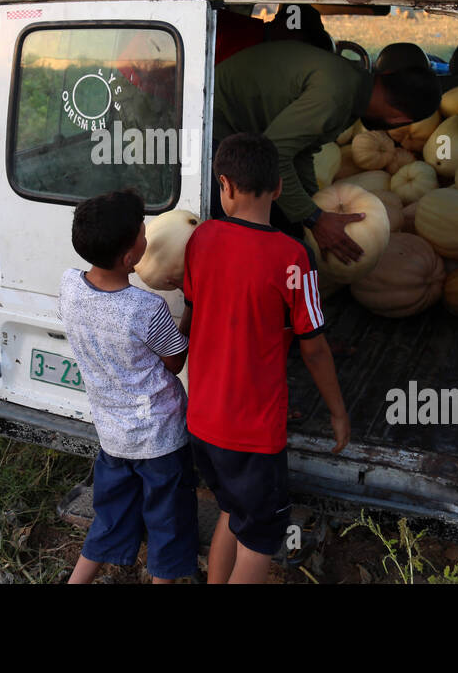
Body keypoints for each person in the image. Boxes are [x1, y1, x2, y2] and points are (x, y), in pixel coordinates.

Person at [181, 133, 350, 584]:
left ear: (225, 186)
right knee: (260, 539)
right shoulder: (294, 257)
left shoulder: (201, 239)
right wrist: (337, 412)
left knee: (233, 513)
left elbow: (190, 315)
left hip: (202, 423)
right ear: (278, 188)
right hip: (252, 434)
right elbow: (313, 348)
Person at [212, 19, 440, 265]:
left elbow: (300, 151)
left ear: (385, 73)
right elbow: (274, 154)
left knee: (285, 220)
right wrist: (314, 219)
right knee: (245, 231)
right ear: (400, 118)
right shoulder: (336, 96)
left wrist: (317, 204)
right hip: (212, 126)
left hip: (241, 133)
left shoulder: (352, 86)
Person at [59, 189, 198, 584]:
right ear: (129, 257)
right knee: (168, 531)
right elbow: (175, 360)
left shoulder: (69, 285)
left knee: (109, 520)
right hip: (161, 440)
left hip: (113, 437)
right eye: (143, 234)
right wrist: (189, 304)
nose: (148, 238)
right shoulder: (145, 308)